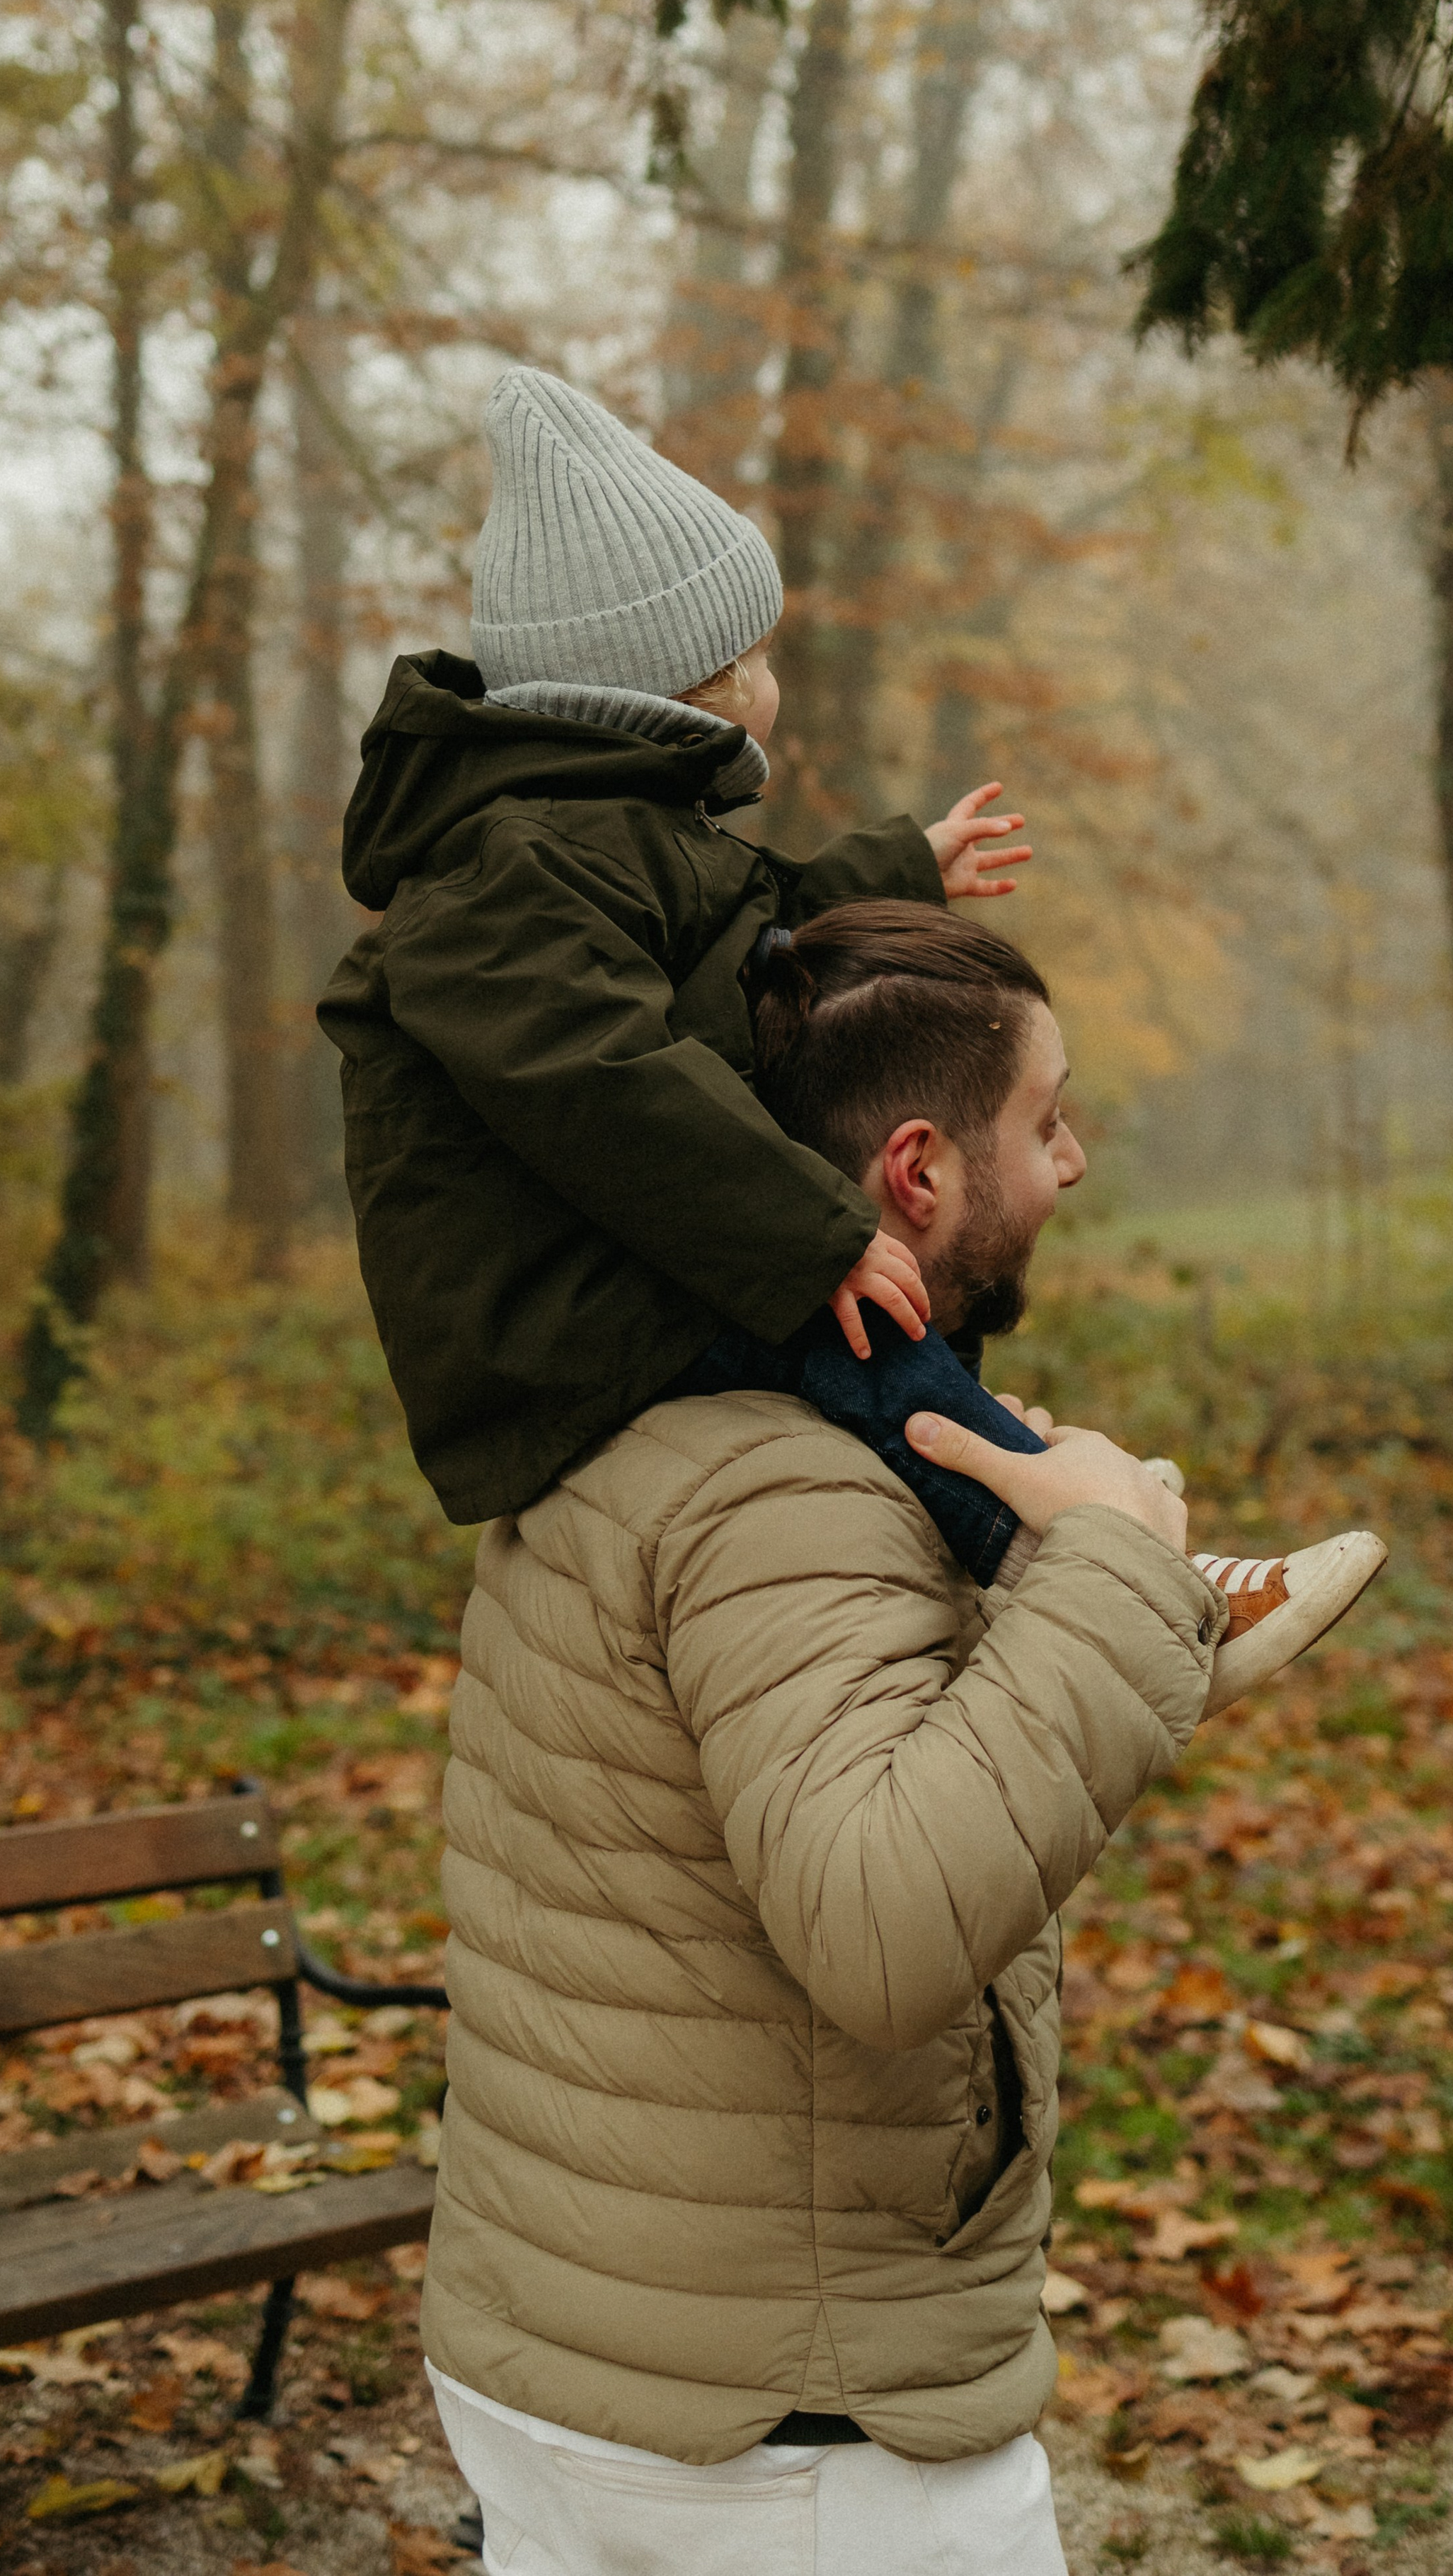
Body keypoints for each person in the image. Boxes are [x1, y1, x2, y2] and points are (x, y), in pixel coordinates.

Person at [420, 904, 1305, 2576]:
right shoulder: (781, 1490)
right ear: (915, 1171)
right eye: (1044, 1120)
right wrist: (1111, 1568)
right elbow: (885, 1924)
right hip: (785, 2448)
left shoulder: (617, 1405)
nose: (1078, 1159)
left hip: (593, 2355)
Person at [321, 364, 1382, 1653]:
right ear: (678, 690)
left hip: (608, 1265)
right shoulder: (509, 871)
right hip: (555, 1314)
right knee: (868, 1329)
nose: (773, 682)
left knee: (889, 1328)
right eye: (751, 658)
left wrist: (896, 869)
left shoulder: (598, 837)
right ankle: (1136, 1603)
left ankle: (1008, 1527)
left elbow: (743, 935)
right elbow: (608, 1081)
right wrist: (807, 1232)